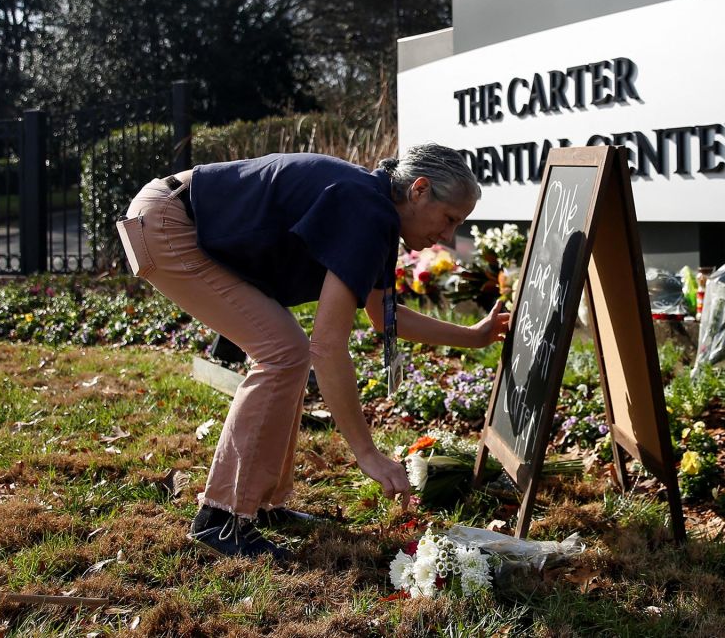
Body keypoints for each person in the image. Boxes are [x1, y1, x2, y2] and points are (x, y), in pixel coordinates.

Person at [119, 143, 510, 559]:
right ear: (419, 189)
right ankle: (221, 519)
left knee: (285, 350)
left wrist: (474, 335)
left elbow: (382, 314)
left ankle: (261, 506)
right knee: (284, 351)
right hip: (167, 221)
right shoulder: (366, 209)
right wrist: (367, 453)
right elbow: (328, 345)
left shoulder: (374, 208)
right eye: (449, 219)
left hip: (169, 214)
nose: (448, 237)